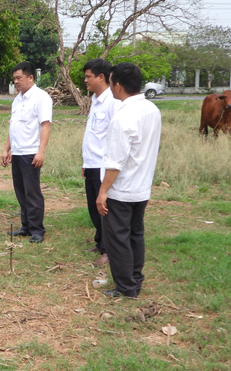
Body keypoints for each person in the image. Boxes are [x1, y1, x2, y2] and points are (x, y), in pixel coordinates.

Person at [97, 62, 162, 298]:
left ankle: (126, 287)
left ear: (117, 85)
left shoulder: (123, 115)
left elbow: (115, 161)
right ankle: (135, 280)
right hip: (141, 187)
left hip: (121, 190)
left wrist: (103, 191)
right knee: (136, 235)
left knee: (117, 239)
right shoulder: (151, 109)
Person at [1, 62, 53, 243]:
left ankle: (37, 229)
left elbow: (45, 125)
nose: (15, 82)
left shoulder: (41, 98)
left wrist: (41, 152)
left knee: (32, 192)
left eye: (19, 78)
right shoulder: (18, 99)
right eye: (14, 79)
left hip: (31, 152)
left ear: (30, 78)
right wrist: (7, 149)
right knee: (21, 191)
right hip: (17, 152)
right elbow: (13, 126)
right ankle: (26, 225)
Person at [81, 59, 120, 267]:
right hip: (91, 163)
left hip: (104, 166)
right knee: (93, 208)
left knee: (104, 209)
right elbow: (93, 135)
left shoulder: (113, 102)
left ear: (101, 77)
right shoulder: (95, 101)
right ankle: (99, 241)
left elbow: (114, 138)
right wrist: (85, 162)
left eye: (88, 76)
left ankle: (108, 251)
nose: (85, 80)